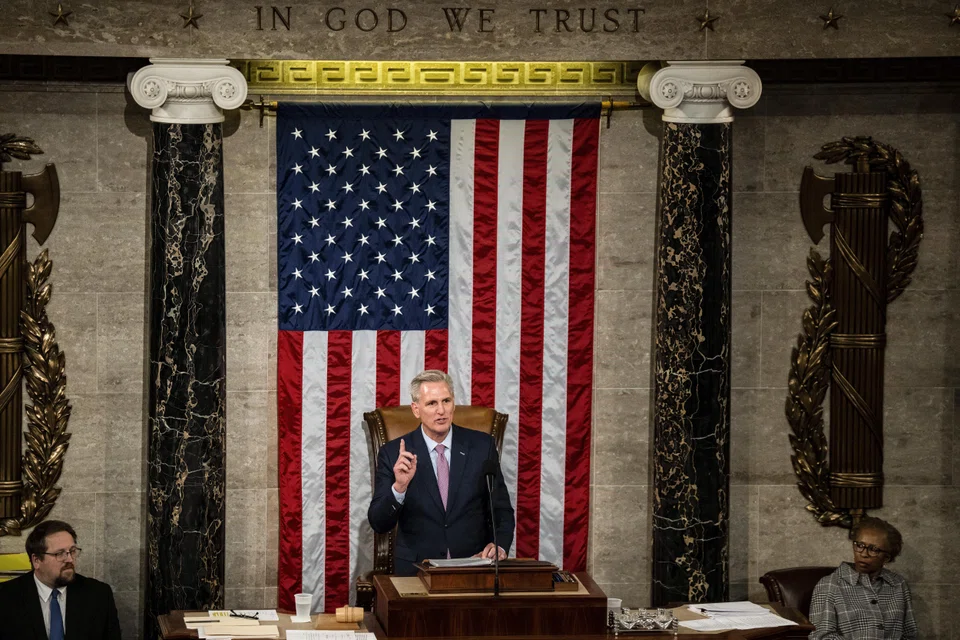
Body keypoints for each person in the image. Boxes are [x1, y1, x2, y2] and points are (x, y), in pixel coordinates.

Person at [367, 369, 516, 576]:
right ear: (416, 409)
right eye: (431, 403)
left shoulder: (482, 447)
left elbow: (501, 510)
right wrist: (399, 487)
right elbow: (379, 523)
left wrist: (499, 546)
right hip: (416, 572)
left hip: (473, 568)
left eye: (446, 401)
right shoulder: (394, 454)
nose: (441, 410)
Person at [0, 519, 122, 640]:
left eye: (72, 551)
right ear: (36, 560)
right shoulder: (5, 597)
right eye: (59, 553)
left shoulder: (99, 594)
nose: (69, 559)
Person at [809, 517, 917, 640]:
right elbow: (822, 636)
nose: (864, 554)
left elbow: (909, 635)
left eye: (874, 550)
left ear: (886, 557)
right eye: (860, 545)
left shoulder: (898, 584)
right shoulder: (830, 584)